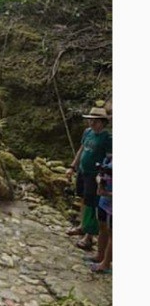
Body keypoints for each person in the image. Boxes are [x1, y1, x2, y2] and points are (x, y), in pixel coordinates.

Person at [65, 107, 112, 250]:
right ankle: (82, 226)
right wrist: (72, 166)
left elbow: (109, 159)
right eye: (90, 120)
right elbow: (81, 149)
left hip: (95, 175)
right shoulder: (87, 132)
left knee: (92, 204)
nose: (91, 123)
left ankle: (89, 236)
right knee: (83, 199)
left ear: (102, 122)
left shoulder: (107, 138)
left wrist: (103, 177)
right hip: (83, 171)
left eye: (95, 121)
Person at [89, 155, 112, 273]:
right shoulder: (109, 158)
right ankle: (100, 255)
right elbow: (100, 174)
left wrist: (108, 193)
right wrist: (100, 182)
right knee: (102, 228)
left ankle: (106, 264)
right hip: (104, 202)